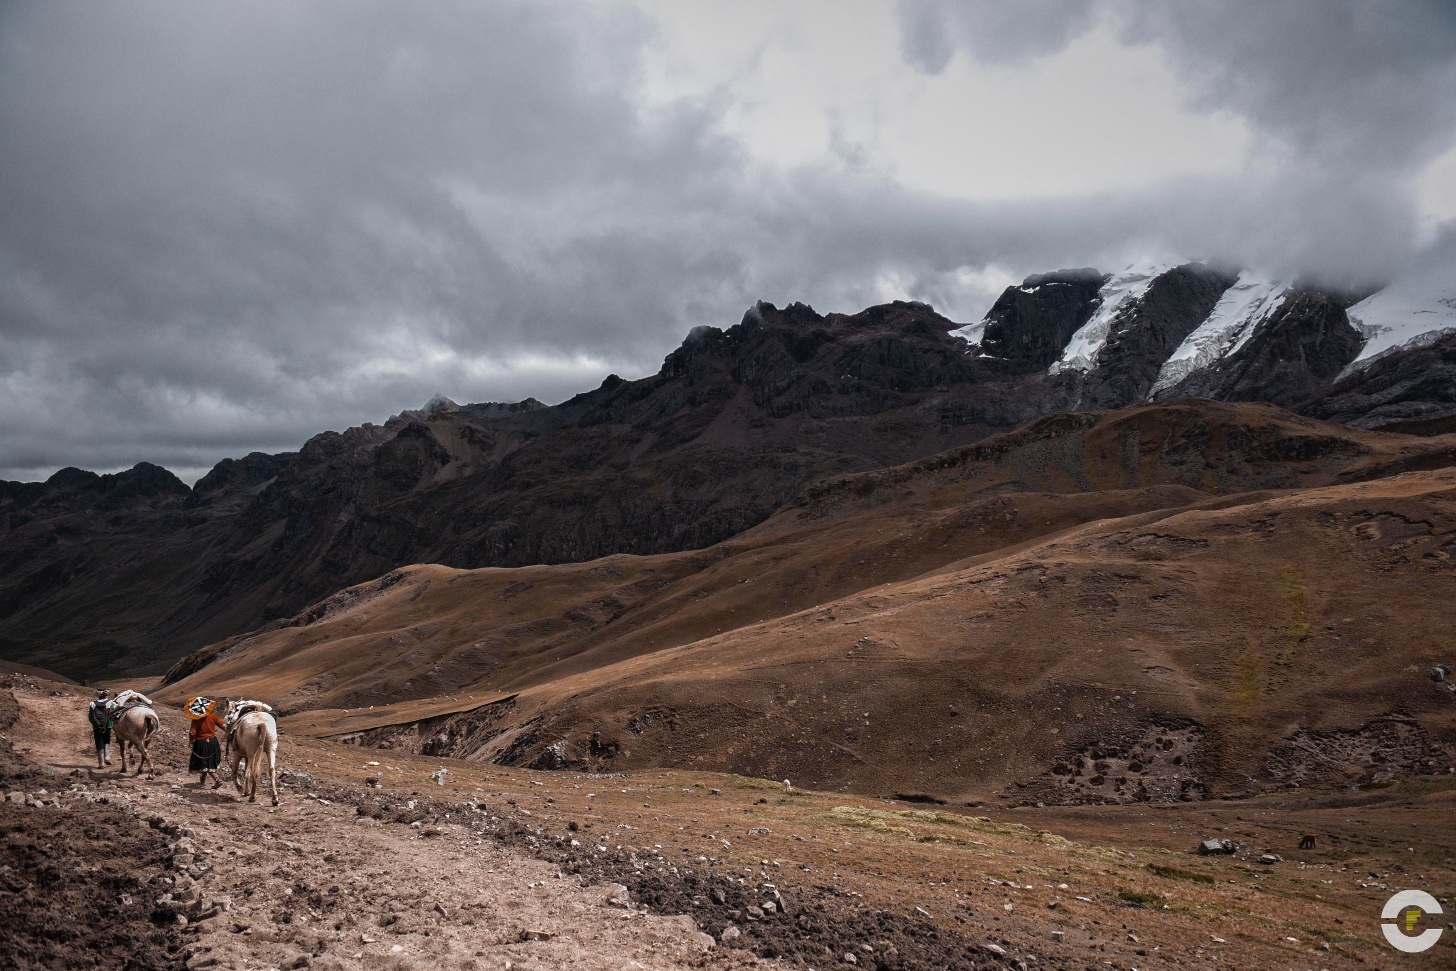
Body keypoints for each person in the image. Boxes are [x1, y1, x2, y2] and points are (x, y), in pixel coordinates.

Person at [186, 697, 225, 788]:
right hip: (213, 742)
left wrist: (191, 741)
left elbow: (192, 733)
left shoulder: (196, 719)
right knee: (208, 762)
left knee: (205, 762)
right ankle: (202, 780)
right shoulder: (213, 716)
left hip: (201, 743)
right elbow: (223, 726)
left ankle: (217, 779)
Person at [87, 689, 112, 768]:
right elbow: (112, 715)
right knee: (107, 741)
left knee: (99, 743)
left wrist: (96, 724)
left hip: (96, 726)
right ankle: (107, 757)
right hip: (107, 725)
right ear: (106, 694)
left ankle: (101, 763)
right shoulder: (110, 703)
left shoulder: (92, 704)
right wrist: (110, 724)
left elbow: (90, 717)